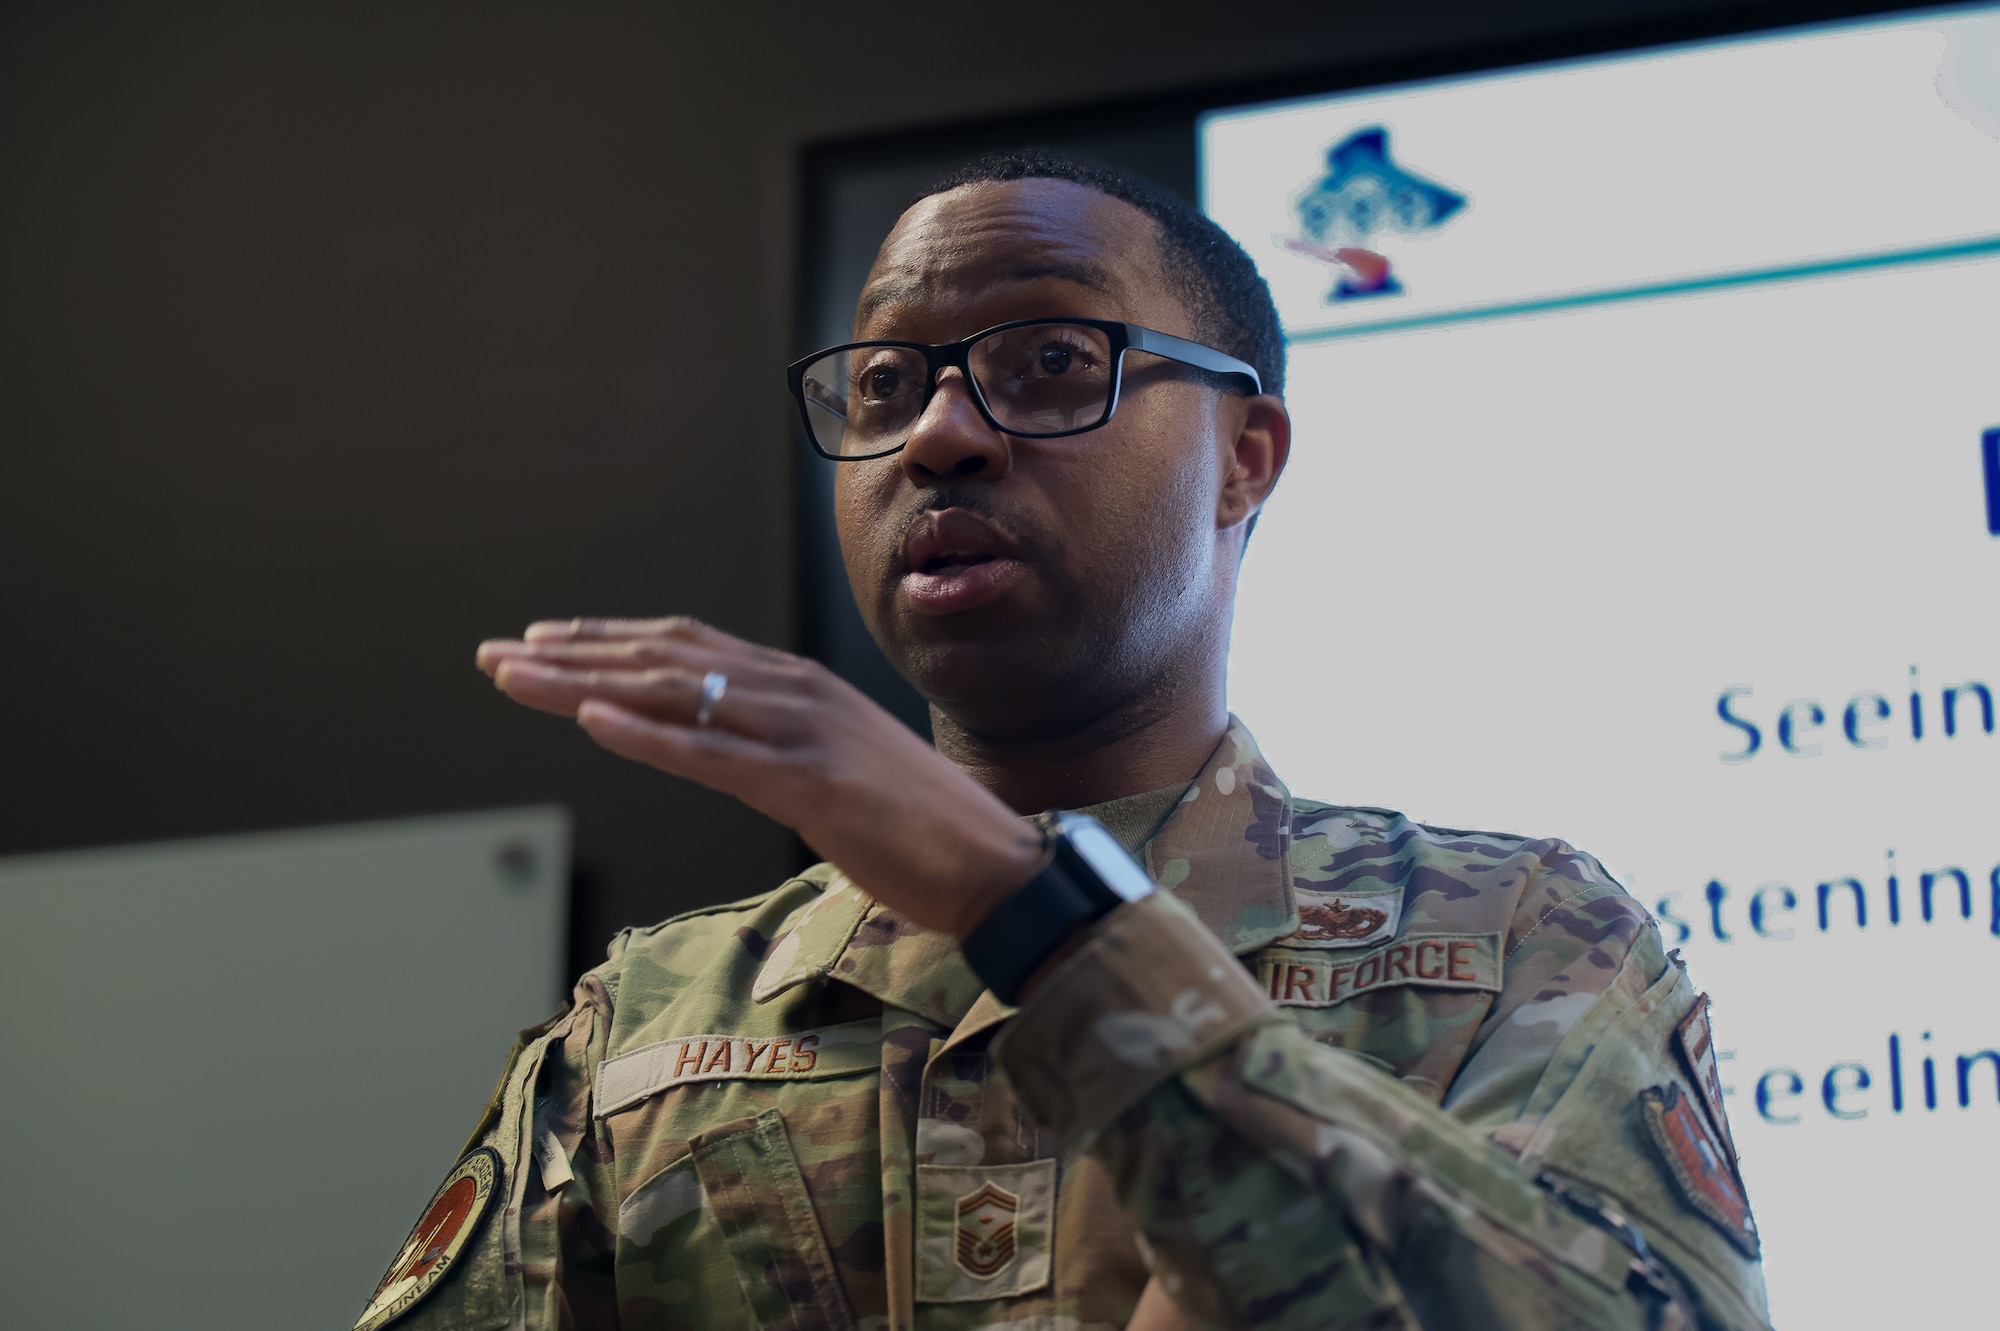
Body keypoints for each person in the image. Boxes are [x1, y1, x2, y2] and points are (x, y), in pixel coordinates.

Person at [352, 151, 1771, 1331]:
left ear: (1245, 456)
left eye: (1046, 361)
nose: (939, 437)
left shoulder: (1517, 938)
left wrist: (1033, 907)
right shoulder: (654, 1025)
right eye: (884, 388)